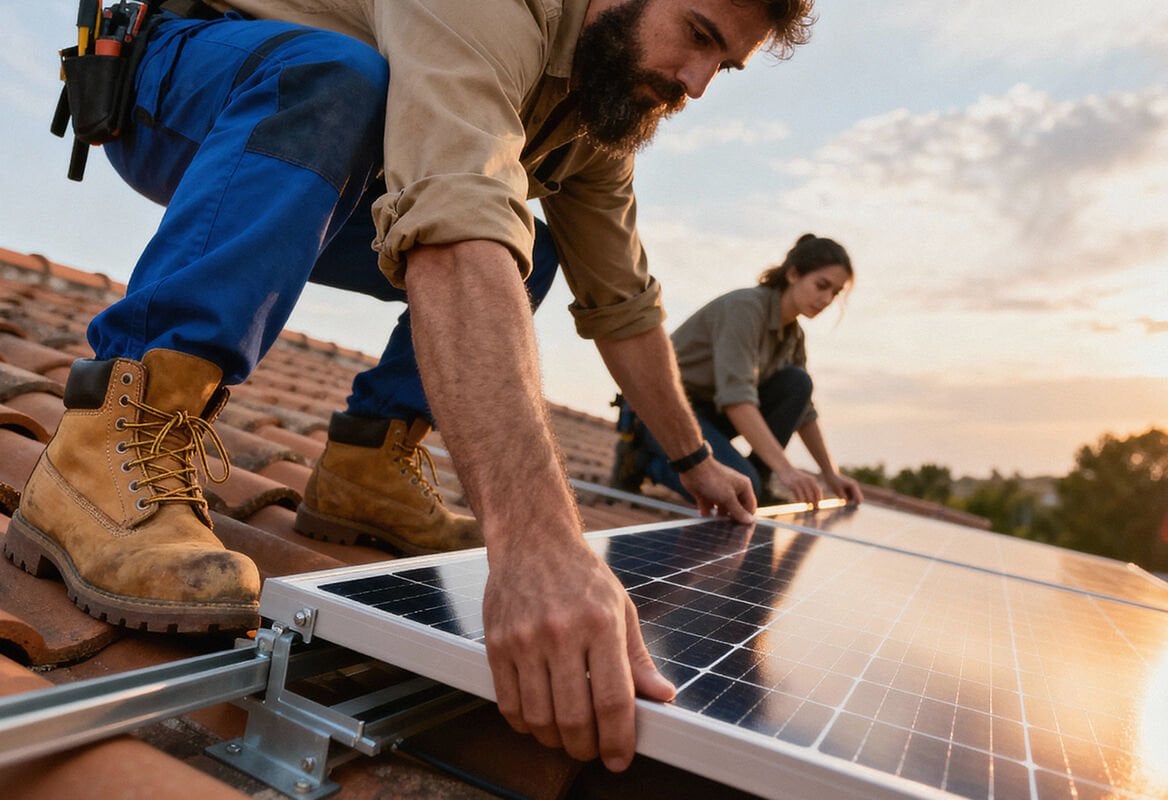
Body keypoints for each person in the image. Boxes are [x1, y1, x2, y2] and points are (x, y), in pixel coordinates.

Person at [6, 0, 815, 773]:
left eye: (725, 65)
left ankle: (367, 469)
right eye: (697, 34)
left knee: (526, 237)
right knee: (345, 82)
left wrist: (692, 457)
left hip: (325, 146)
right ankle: (112, 437)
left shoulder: (597, 118)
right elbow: (455, 222)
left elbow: (624, 308)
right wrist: (536, 547)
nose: (698, 82)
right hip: (188, 81)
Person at [613, 233, 865, 507]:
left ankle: (760, 479)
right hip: (663, 413)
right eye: (822, 286)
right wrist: (787, 471)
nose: (827, 299)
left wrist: (831, 475)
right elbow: (737, 400)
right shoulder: (744, 309)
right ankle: (642, 460)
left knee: (798, 383)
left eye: (835, 293)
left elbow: (804, 412)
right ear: (793, 274)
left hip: (709, 415)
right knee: (740, 494)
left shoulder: (794, 336)